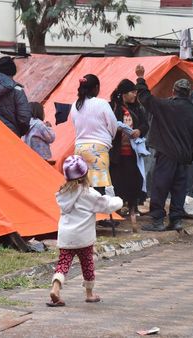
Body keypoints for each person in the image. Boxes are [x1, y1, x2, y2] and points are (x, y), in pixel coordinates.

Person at [47, 155, 123, 307]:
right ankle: (89, 294)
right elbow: (107, 205)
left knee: (63, 264)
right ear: (85, 175)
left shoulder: (62, 194)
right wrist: (116, 198)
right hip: (83, 238)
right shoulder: (89, 194)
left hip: (66, 237)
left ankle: (55, 288)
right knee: (87, 265)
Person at [134, 65, 193, 232]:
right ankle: (176, 220)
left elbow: (145, 98)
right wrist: (192, 156)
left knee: (160, 186)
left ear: (174, 91)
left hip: (167, 155)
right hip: (183, 158)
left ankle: (157, 220)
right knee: (179, 189)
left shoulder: (166, 106)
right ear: (188, 93)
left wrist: (141, 78)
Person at [70, 74, 119, 227]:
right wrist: (109, 138)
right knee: (101, 184)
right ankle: (105, 217)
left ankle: (85, 216)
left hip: (79, 147)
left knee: (83, 184)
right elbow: (112, 124)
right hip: (98, 147)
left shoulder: (75, 105)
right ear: (96, 88)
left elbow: (75, 124)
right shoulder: (102, 103)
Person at [109, 79, 149, 232]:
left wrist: (139, 131)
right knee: (117, 182)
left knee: (134, 181)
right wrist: (116, 129)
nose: (134, 95)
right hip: (117, 153)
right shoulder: (113, 107)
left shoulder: (137, 108)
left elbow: (145, 124)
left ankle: (132, 208)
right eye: (132, 92)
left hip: (133, 153)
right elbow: (108, 124)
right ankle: (117, 211)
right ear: (124, 94)